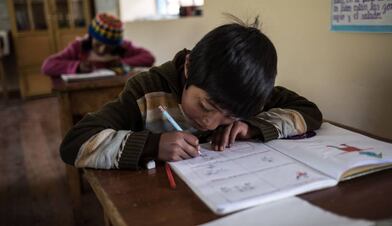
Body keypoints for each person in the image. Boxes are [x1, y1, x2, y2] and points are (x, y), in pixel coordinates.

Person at [60, 15, 323, 170]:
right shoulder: (147, 91)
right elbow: (76, 142)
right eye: (206, 106)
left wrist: (250, 126)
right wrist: (153, 146)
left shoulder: (242, 95)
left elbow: (309, 112)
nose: (210, 122)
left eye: (228, 117)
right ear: (188, 67)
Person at [41, 13, 155, 76]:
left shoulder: (124, 47)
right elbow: (48, 65)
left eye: (109, 46)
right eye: (98, 44)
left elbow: (149, 57)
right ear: (91, 38)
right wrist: (77, 67)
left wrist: (122, 63)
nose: (102, 50)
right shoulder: (78, 47)